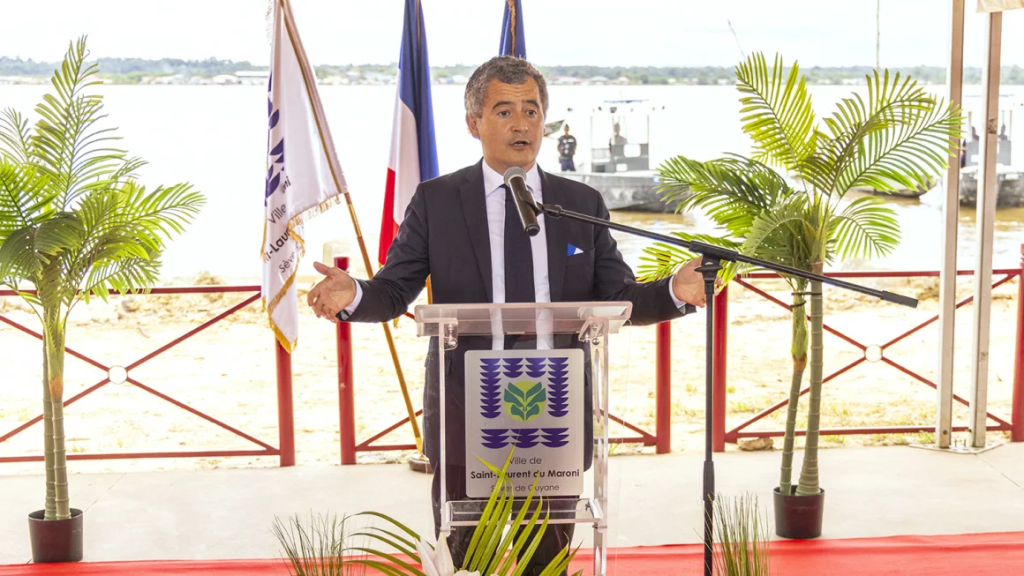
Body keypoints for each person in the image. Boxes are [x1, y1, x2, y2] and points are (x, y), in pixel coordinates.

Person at [305, 56, 710, 576]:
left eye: (531, 111)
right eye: (504, 111)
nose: (521, 124)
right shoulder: (437, 201)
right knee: (465, 562)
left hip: (555, 409)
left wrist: (675, 291)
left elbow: (618, 297)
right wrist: (354, 293)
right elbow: (394, 291)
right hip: (466, 410)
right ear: (473, 123)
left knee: (546, 564)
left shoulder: (578, 202)